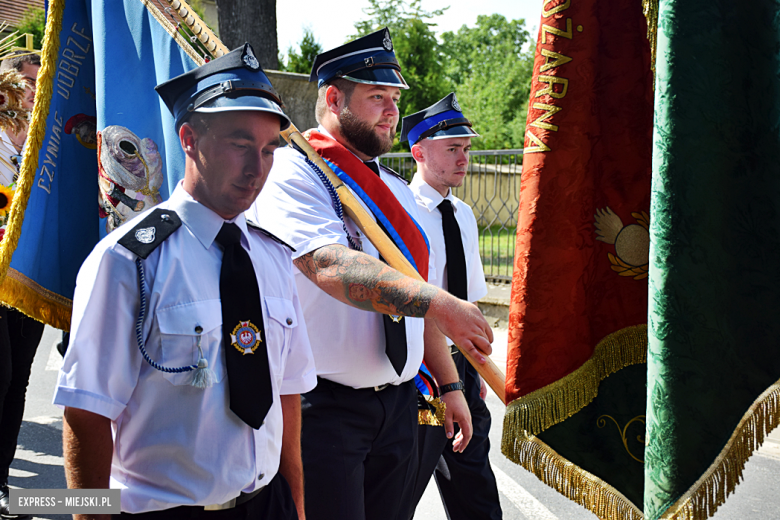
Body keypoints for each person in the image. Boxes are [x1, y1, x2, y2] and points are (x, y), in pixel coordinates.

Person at [52, 43, 316, 519]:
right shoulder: (128, 261)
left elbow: (287, 393)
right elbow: (86, 413)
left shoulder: (274, 256)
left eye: (268, 150)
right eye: (240, 145)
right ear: (189, 138)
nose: (257, 169)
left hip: (266, 501)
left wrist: (295, 503)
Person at [248, 29, 494, 520]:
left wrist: (449, 387)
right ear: (334, 98)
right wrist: (440, 303)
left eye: (395, 98)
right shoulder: (295, 173)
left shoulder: (396, 190)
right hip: (325, 411)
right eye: (376, 96)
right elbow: (328, 265)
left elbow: (414, 301)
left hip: (400, 408)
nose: (391, 111)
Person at [401, 93, 503, 520]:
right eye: (452, 149)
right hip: (421, 371)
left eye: (466, 149)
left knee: (474, 478)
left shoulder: (462, 213)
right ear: (418, 152)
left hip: (461, 366)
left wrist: (474, 371)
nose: (464, 158)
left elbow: (470, 302)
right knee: (405, 481)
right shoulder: (401, 212)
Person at [0, 50, 44, 520]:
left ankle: (3, 481)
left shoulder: (39, 147)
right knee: (2, 376)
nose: (34, 92)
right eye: (26, 84)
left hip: (26, 279)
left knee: (18, 382)